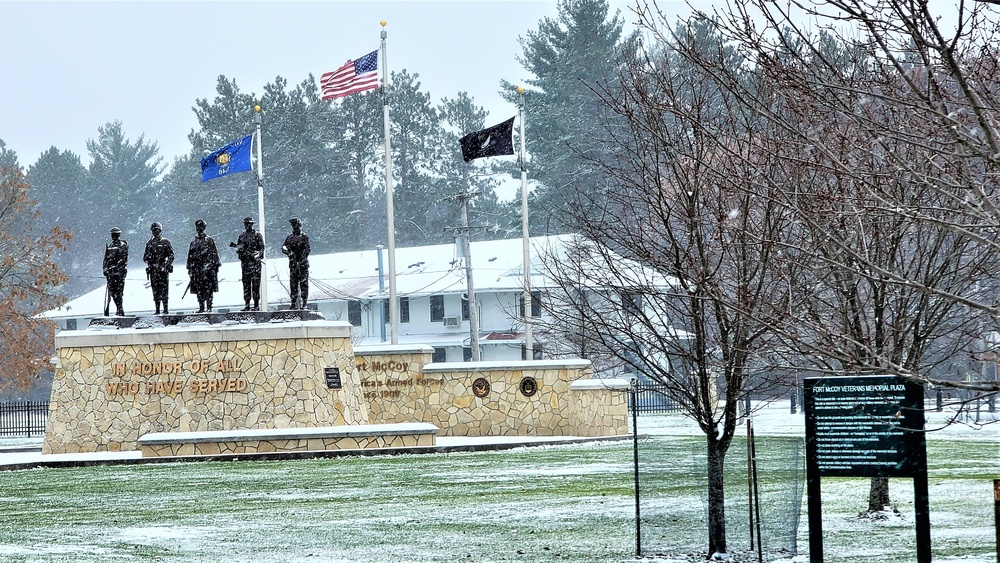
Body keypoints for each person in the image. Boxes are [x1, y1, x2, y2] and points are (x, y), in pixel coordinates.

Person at [229, 216, 264, 311]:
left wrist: (257, 255)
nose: (247, 226)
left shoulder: (257, 235)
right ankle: (247, 304)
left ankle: (256, 305)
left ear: (252, 224)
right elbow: (239, 249)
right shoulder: (241, 236)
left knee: (256, 285)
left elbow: (261, 249)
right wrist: (241, 252)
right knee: (246, 285)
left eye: (249, 224)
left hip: (255, 265)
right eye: (246, 224)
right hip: (245, 265)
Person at [186, 219, 221, 313]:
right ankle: (201, 307)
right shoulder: (193, 242)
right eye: (197, 227)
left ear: (204, 228)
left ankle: (209, 307)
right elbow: (190, 257)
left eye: (201, 227)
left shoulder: (209, 241)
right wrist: (190, 269)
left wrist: (210, 266)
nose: (199, 229)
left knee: (209, 289)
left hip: (208, 271)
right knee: (199, 290)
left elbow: (215, 256)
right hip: (197, 271)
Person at [143, 222, 174, 315]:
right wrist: (148, 258)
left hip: (162, 270)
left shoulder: (165, 242)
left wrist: (165, 265)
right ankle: (157, 309)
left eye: (156, 230)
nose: (154, 232)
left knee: (164, 290)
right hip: (153, 270)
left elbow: (171, 255)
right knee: (155, 290)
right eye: (153, 230)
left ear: (160, 230)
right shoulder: (149, 243)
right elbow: (144, 258)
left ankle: (165, 309)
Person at [281, 217, 310, 309]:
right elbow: (284, 247)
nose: (295, 227)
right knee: (293, 285)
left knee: (303, 284)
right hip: (293, 265)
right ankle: (293, 302)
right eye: (293, 225)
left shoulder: (304, 237)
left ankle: (304, 302)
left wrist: (301, 261)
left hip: (302, 265)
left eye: (296, 225)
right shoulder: (289, 238)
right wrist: (289, 253)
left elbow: (307, 250)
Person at [102, 226, 128, 316]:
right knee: (112, 292)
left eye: (115, 234)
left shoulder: (122, 245)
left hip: (119, 273)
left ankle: (120, 309)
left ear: (119, 235)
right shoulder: (110, 246)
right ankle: (118, 308)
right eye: (112, 235)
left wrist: (114, 267)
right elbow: (105, 259)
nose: (113, 236)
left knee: (119, 292)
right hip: (111, 274)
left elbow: (122, 259)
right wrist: (105, 269)